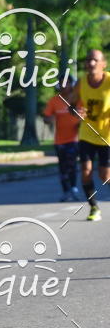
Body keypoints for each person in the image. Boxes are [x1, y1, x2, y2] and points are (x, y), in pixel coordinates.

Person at [72, 48, 110, 221]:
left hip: (107, 136)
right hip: (87, 134)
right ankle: (94, 207)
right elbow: (70, 104)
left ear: (103, 64)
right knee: (85, 171)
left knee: (104, 175)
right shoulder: (81, 82)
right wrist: (76, 111)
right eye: (88, 60)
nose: (91, 63)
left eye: (95, 60)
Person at [43, 77, 80, 201]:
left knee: (72, 164)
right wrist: (49, 119)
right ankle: (66, 191)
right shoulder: (54, 101)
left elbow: (85, 115)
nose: (63, 85)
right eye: (61, 83)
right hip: (59, 141)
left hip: (75, 139)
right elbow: (46, 118)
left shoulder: (77, 100)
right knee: (63, 167)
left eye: (66, 83)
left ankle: (74, 188)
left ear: (71, 84)